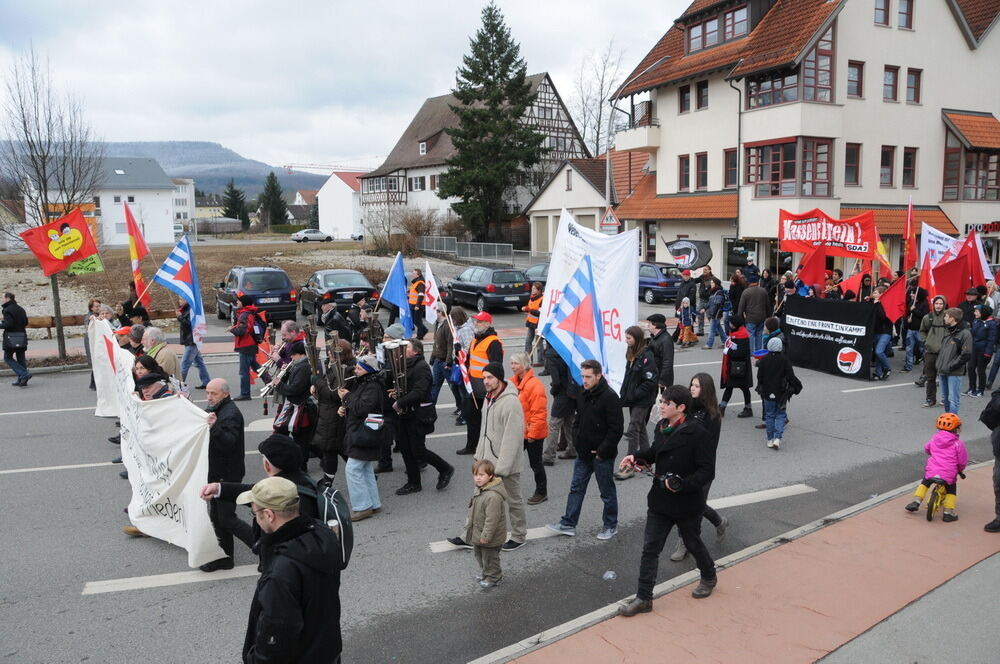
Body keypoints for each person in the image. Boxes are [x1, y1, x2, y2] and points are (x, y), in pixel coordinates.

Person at [618, 385, 719, 617]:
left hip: (686, 503)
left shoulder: (699, 433)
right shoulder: (663, 427)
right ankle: (644, 598)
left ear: (681, 408)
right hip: (660, 502)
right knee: (650, 549)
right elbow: (655, 451)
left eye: (666, 403)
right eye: (661, 402)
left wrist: (682, 484)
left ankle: (709, 575)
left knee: (692, 543)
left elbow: (707, 471)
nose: (661, 406)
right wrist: (637, 457)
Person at [237, 476, 342, 664]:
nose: (256, 519)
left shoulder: (281, 571)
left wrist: (255, 659)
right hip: (326, 650)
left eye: (255, 514)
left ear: (269, 515)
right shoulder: (321, 535)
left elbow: (276, 635)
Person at [547, 360, 623, 541]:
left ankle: (610, 525)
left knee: (606, 492)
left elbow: (616, 429)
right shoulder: (583, 393)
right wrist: (577, 441)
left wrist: (603, 450)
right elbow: (578, 419)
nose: (584, 380)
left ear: (599, 375)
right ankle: (568, 523)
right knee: (576, 488)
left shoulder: (610, 397)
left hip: (601, 455)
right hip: (583, 452)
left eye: (588, 377)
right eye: (582, 376)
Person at [671, 374, 728, 562]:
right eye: (691, 385)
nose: (692, 388)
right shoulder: (686, 409)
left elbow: (709, 447)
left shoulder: (712, 415)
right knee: (690, 505)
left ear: (706, 389)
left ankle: (685, 543)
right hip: (683, 465)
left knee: (692, 508)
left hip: (701, 469)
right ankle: (719, 522)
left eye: (696, 386)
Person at [200, 378, 252, 572]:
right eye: (207, 393)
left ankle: (263, 547)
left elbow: (229, 442)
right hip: (219, 472)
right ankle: (224, 557)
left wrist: (215, 427)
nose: (209, 397)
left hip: (227, 474)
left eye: (213, 393)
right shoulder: (220, 409)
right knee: (218, 517)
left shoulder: (230, 414)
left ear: (225, 394)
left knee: (227, 518)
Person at [473, 362, 527, 550]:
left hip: (506, 465)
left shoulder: (511, 402)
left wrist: (501, 469)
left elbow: (512, 440)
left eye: (490, 377)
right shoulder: (489, 397)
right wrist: (479, 455)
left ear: (499, 378)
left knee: (513, 500)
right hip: (487, 461)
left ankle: (519, 536)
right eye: (484, 377)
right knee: (481, 500)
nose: (485, 381)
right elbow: (484, 430)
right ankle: (471, 534)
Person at [393, 338, 455, 495]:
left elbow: (419, 392)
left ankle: (445, 468)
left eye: (406, 347)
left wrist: (400, 401)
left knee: (418, 451)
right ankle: (414, 483)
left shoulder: (421, 368)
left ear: (416, 351)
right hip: (406, 413)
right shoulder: (405, 365)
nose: (402, 350)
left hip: (417, 415)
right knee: (406, 450)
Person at [338, 355, 384, 521]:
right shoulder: (367, 383)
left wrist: (347, 397)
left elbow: (362, 408)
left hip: (364, 430)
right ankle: (373, 503)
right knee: (365, 469)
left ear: (368, 370)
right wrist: (346, 407)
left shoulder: (371, 386)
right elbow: (358, 406)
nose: (355, 370)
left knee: (353, 469)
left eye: (359, 368)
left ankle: (362, 507)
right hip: (365, 428)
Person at [904, 413, 968, 522]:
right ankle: (948, 513)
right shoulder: (958, 444)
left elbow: (927, 449)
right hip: (949, 473)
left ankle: (916, 501)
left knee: (925, 482)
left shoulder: (935, 438)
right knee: (951, 489)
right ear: (956, 429)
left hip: (932, 470)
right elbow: (962, 461)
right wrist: (960, 470)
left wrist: (933, 452)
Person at [458, 311, 503, 455]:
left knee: (489, 421)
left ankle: (490, 447)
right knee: (471, 417)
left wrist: (493, 387)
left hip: (486, 388)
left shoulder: (493, 342)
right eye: (475, 321)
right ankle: (472, 446)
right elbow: (468, 361)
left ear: (488, 323)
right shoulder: (474, 340)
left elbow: (496, 367)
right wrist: (458, 355)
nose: (476, 324)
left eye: (479, 321)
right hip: (473, 387)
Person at [615, 326, 657, 481]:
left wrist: (635, 394)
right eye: (626, 338)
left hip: (643, 400)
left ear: (637, 338)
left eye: (629, 338)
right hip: (633, 398)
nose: (626, 341)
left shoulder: (647, 356)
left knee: (633, 429)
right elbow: (628, 376)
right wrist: (624, 394)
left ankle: (629, 464)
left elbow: (650, 381)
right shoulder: (632, 353)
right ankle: (646, 460)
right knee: (640, 429)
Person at [311, 339, 353, 489]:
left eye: (331, 352)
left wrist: (317, 382)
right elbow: (327, 385)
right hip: (328, 413)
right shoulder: (334, 366)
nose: (328, 354)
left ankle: (327, 482)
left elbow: (334, 393)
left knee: (330, 448)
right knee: (338, 448)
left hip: (334, 415)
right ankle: (363, 473)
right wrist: (317, 388)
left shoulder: (346, 370)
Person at [464, 459, 509, 591]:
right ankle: (486, 573)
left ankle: (494, 577)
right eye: (475, 474)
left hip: (490, 536)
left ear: (490, 476)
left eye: (481, 475)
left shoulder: (492, 496)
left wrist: (486, 536)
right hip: (479, 532)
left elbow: (492, 520)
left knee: (490, 557)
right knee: (480, 555)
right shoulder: (480, 490)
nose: (477, 478)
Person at [509, 353, 548, 505]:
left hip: (532, 433)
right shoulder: (513, 383)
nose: (512, 367)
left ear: (525, 365)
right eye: (512, 363)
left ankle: (542, 491)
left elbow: (539, 413)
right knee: (510, 460)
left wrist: (532, 434)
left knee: (535, 463)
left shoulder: (535, 385)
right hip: (519, 431)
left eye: (516, 364)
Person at [273, 341, 317, 469]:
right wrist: (285, 372)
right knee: (302, 438)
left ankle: (302, 466)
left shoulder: (303, 367)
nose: (291, 357)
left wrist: (279, 384)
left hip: (302, 408)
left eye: (293, 355)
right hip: (297, 407)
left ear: (300, 354)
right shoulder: (300, 365)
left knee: (301, 440)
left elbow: (294, 389)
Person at [756, 337, 802, 450]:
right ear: (780, 347)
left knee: (769, 415)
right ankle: (778, 438)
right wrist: (797, 386)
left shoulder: (764, 360)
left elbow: (759, 377)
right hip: (781, 393)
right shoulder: (784, 360)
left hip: (767, 392)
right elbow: (791, 376)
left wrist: (762, 386)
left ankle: (769, 439)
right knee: (780, 415)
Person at [542, 343, 578, 463]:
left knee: (554, 425)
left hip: (561, 394)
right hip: (572, 392)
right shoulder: (568, 351)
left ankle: (549, 455)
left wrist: (553, 391)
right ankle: (573, 449)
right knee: (569, 423)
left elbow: (556, 381)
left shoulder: (551, 356)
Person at [937, 308, 972, 414]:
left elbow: (966, 355)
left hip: (954, 372)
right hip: (943, 370)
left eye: (946, 316)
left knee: (953, 399)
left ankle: (953, 423)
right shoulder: (948, 330)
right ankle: (948, 419)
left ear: (952, 318)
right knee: (946, 398)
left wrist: (951, 366)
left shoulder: (965, 333)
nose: (944, 318)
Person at [720, 314, 753, 417]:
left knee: (742, 387)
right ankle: (722, 406)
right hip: (735, 365)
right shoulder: (736, 332)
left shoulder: (742, 335)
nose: (729, 324)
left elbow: (742, 352)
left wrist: (728, 352)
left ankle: (747, 408)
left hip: (740, 366)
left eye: (731, 323)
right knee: (732, 386)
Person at [230, 294, 262, 401]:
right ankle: (273, 384)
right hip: (250, 345)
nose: (237, 303)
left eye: (239, 301)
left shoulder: (244, 315)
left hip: (246, 346)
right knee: (257, 367)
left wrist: (232, 329)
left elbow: (242, 331)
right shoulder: (248, 313)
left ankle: (245, 394)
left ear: (243, 303)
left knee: (244, 372)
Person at [917, 295, 948, 406]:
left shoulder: (948, 317)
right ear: (933, 304)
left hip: (945, 352)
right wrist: (926, 341)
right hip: (930, 351)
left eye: (941, 303)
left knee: (944, 377)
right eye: (936, 303)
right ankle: (930, 399)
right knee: (930, 377)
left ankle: (945, 398)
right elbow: (922, 331)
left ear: (944, 305)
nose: (938, 306)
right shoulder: (927, 317)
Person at [177, 298, 210, 389]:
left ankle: (179, 385)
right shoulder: (185, 309)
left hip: (192, 341)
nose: (179, 301)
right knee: (199, 363)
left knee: (184, 364)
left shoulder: (191, 310)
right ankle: (206, 381)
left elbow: (190, 324)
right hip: (191, 340)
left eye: (181, 299)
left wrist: (180, 317)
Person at [1, 292, 31, 387]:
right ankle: (22, 380)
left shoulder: (7, 310)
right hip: (21, 336)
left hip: (11, 338)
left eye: (3, 298)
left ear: (8, 298)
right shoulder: (21, 309)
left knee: (7, 357)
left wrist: (1, 324)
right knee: (21, 358)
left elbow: (9, 324)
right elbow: (25, 322)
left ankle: (24, 374)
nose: (2, 300)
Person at [449, 306, 473, 425]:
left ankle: (466, 416)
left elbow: (469, 348)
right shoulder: (458, 328)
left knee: (464, 392)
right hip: (459, 362)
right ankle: (463, 412)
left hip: (464, 364)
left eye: (453, 318)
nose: (451, 321)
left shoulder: (465, 330)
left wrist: (460, 351)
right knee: (458, 389)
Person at [967, 304, 996, 398]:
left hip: (983, 350)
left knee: (980, 370)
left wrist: (988, 352)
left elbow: (991, 340)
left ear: (982, 313)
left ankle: (980, 390)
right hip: (974, 348)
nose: (975, 313)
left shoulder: (991, 324)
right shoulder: (976, 321)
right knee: (971, 367)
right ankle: (972, 388)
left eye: (977, 311)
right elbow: (972, 333)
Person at [429, 303, 453, 404]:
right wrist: (432, 357)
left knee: (453, 386)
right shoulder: (437, 324)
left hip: (444, 362)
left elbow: (450, 345)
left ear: (440, 312)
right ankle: (430, 405)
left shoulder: (447, 325)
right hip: (437, 361)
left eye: (435, 311)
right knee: (435, 384)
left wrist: (448, 362)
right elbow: (436, 343)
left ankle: (461, 407)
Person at [738, 275, 769, 352]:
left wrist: (739, 318)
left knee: (750, 335)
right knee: (759, 334)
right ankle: (758, 351)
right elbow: (767, 305)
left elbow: (741, 307)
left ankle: (751, 352)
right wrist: (769, 316)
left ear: (749, 282)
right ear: (757, 282)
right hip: (761, 317)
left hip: (750, 318)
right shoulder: (763, 291)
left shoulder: (746, 292)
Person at [645, 313, 675, 392]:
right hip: (654, 375)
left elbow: (667, 361)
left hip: (661, 380)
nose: (648, 325)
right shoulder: (655, 337)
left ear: (655, 325)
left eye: (649, 323)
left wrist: (662, 381)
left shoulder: (666, 340)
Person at [903, 286, 929, 373]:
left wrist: (914, 311)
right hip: (911, 329)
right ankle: (908, 366)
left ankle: (927, 367)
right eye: (911, 293)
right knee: (909, 348)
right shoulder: (911, 303)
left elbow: (925, 316)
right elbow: (907, 313)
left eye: (913, 293)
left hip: (920, 330)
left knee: (923, 349)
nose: (911, 294)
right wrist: (907, 319)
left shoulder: (924, 304)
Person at [871, 287, 894, 381]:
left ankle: (887, 368)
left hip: (885, 332)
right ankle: (878, 373)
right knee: (878, 354)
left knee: (879, 351)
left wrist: (877, 304)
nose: (873, 294)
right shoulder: (874, 303)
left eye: (876, 293)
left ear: (881, 294)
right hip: (876, 332)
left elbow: (882, 317)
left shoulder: (886, 304)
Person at [522, 281, 543, 364]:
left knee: (539, 343)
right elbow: (531, 308)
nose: (532, 290)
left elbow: (540, 313)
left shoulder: (542, 299)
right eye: (532, 288)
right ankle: (528, 360)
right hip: (531, 323)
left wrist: (529, 310)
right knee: (528, 341)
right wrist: (527, 308)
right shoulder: (532, 298)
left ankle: (541, 361)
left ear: (539, 290)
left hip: (538, 324)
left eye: (534, 289)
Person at [83, 298, 102, 390]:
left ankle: (94, 384)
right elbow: (89, 328)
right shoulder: (89, 317)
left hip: (96, 341)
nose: (98, 308)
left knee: (97, 362)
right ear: (91, 308)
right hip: (91, 341)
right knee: (95, 362)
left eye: (99, 306)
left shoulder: (99, 315)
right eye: (96, 306)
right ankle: (94, 384)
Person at [702, 281, 727, 350]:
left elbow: (718, 305)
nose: (711, 284)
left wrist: (714, 315)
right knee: (719, 329)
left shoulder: (719, 293)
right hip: (714, 313)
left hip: (716, 314)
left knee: (712, 329)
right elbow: (710, 303)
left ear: (716, 284)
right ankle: (726, 342)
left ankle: (709, 344)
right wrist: (705, 308)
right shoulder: (713, 292)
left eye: (712, 283)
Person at [408, 267, 428, 338]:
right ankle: (424, 330)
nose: (412, 274)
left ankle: (420, 335)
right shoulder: (416, 282)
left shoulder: (420, 283)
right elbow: (414, 293)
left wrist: (417, 305)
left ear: (418, 275)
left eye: (413, 273)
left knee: (417, 320)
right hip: (413, 305)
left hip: (418, 305)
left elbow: (421, 294)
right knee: (415, 320)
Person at [696, 266, 714, 336]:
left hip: (709, 300)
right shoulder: (702, 277)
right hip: (701, 299)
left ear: (709, 270)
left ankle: (715, 330)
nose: (704, 271)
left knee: (710, 316)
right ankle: (700, 331)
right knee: (700, 315)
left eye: (706, 269)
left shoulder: (712, 279)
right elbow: (695, 280)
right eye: (703, 269)